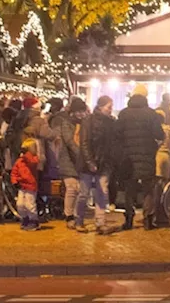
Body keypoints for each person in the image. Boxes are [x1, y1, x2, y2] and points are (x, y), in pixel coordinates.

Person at [116, 85, 165, 230]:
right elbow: (159, 134)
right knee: (147, 188)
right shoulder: (151, 114)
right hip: (147, 156)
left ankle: (129, 218)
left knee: (129, 190)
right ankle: (148, 219)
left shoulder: (124, 114)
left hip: (128, 158)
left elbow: (117, 134)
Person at [78, 95, 118, 235]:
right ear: (101, 107)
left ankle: (100, 222)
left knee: (102, 193)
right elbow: (84, 143)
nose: (110, 110)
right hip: (89, 163)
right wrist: (90, 161)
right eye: (108, 107)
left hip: (104, 162)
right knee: (84, 193)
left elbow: (112, 144)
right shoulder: (88, 121)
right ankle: (79, 220)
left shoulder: (111, 122)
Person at [49, 97, 87, 229]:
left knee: (79, 189)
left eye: (83, 111)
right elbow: (70, 142)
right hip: (68, 160)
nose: (81, 114)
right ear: (73, 112)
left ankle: (76, 215)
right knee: (72, 188)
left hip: (80, 161)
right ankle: (69, 215)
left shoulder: (85, 124)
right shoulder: (66, 124)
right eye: (79, 111)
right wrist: (83, 155)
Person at [11, 139, 41, 231]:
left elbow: (32, 162)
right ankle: (25, 218)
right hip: (22, 186)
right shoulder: (19, 162)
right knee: (20, 204)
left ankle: (34, 220)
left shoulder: (33, 159)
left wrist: (26, 155)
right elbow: (14, 172)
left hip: (30, 186)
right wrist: (14, 182)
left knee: (29, 204)